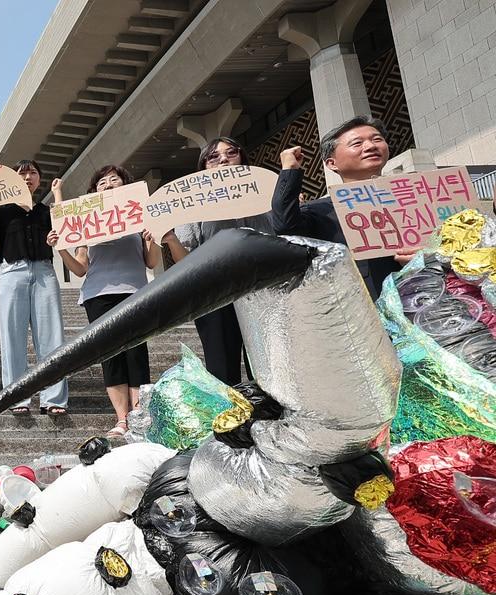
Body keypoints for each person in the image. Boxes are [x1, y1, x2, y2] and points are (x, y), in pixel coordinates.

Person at [51, 166, 161, 438]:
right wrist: (61, 246)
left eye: (115, 180)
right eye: (102, 182)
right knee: (110, 357)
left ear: (125, 185)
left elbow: (151, 261)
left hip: (135, 291)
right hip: (97, 295)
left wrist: (155, 237)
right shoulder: (87, 223)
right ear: (94, 191)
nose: (108, 184)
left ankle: (139, 418)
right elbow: (79, 269)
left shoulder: (138, 215)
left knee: (137, 355)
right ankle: (122, 420)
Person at [0, 152, 69, 415]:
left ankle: (53, 399)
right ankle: (17, 398)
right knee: (12, 337)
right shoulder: (2, 214)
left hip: (45, 271)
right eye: (21, 173)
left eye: (32, 172)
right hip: (12, 272)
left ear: (39, 179)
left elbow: (68, 223)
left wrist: (57, 194)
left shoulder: (46, 211)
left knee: (52, 337)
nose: (27, 177)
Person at [160, 136, 270, 385]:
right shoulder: (191, 204)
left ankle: (271, 413)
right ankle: (230, 418)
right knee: (221, 362)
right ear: (204, 167)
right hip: (214, 291)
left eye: (231, 153)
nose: (223, 159)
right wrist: (171, 240)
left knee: (267, 359)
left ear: (242, 158)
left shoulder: (265, 193)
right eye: (214, 156)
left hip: (261, 287)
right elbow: (185, 259)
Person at [270, 115, 403, 299]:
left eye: (377, 139)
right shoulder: (320, 211)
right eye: (357, 143)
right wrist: (290, 170)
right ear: (332, 163)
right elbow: (285, 225)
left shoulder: (414, 197)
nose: (371, 146)